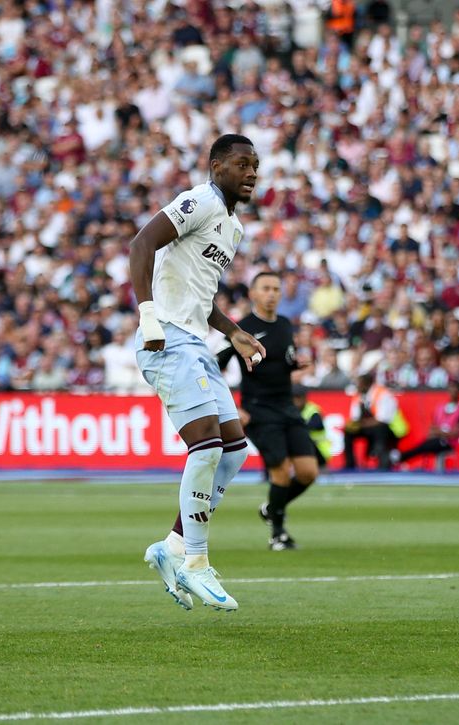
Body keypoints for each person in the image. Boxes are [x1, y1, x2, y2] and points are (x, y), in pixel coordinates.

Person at [132, 134, 266, 612]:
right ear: (216, 167)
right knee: (207, 444)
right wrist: (147, 313)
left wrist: (233, 332)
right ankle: (196, 562)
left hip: (195, 340)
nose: (251, 172)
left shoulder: (233, 228)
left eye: (256, 165)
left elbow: (201, 297)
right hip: (166, 337)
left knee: (234, 451)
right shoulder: (200, 201)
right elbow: (142, 243)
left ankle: (171, 547)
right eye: (241, 163)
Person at [217, 270, 318, 551]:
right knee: (281, 472)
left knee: (308, 472)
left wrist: (295, 364)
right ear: (253, 294)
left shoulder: (285, 324)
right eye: (266, 288)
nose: (272, 293)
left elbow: (282, 361)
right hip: (259, 411)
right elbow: (215, 366)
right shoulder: (241, 329)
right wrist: (234, 407)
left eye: (276, 288)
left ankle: (271, 507)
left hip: (286, 406)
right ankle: (279, 534)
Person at [344, 372, 407, 471]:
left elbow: (382, 419)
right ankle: (350, 465)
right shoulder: (358, 395)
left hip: (390, 428)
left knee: (380, 430)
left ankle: (382, 465)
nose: (357, 387)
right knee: (348, 431)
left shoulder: (383, 394)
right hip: (369, 426)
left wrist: (362, 423)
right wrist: (352, 425)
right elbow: (355, 417)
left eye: (359, 384)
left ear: (367, 384)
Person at [397, 381, 459, 469]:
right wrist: (442, 432)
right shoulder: (440, 408)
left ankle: (402, 457)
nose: (452, 392)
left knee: (426, 445)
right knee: (427, 444)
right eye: (450, 389)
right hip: (437, 439)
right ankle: (403, 458)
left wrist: (440, 432)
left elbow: (455, 433)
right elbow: (432, 429)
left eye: (455, 390)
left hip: (448, 443)